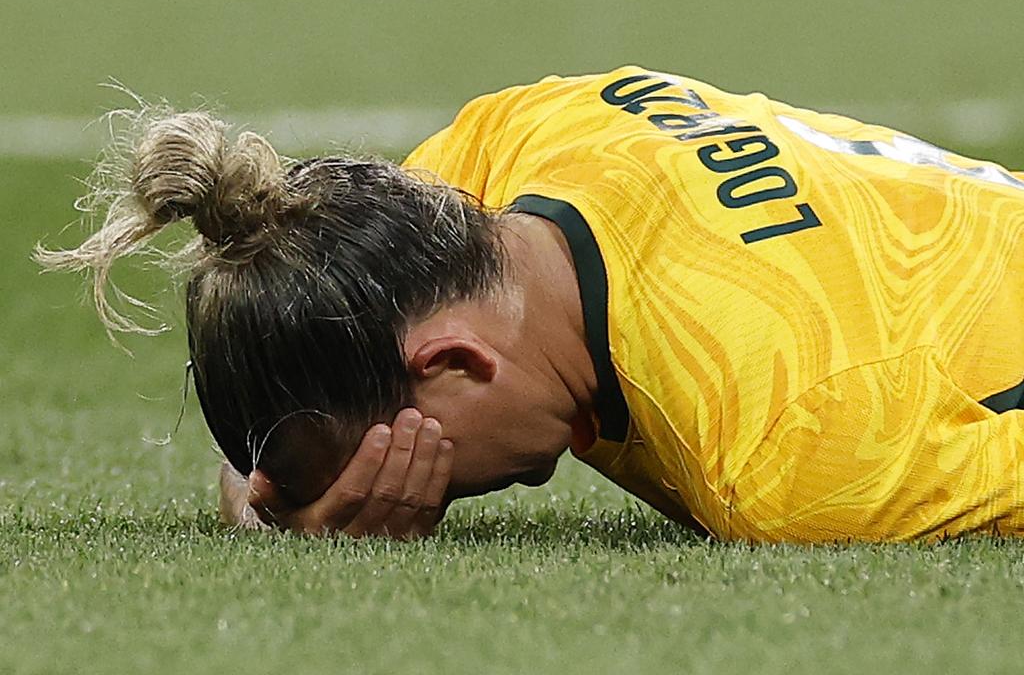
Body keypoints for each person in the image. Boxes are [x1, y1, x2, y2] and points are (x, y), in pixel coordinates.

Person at [38, 67, 1024, 543]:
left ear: (457, 363)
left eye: (391, 452)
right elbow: (305, 290)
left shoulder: (786, 451)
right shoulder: (510, 147)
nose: (425, 487)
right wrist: (272, 498)